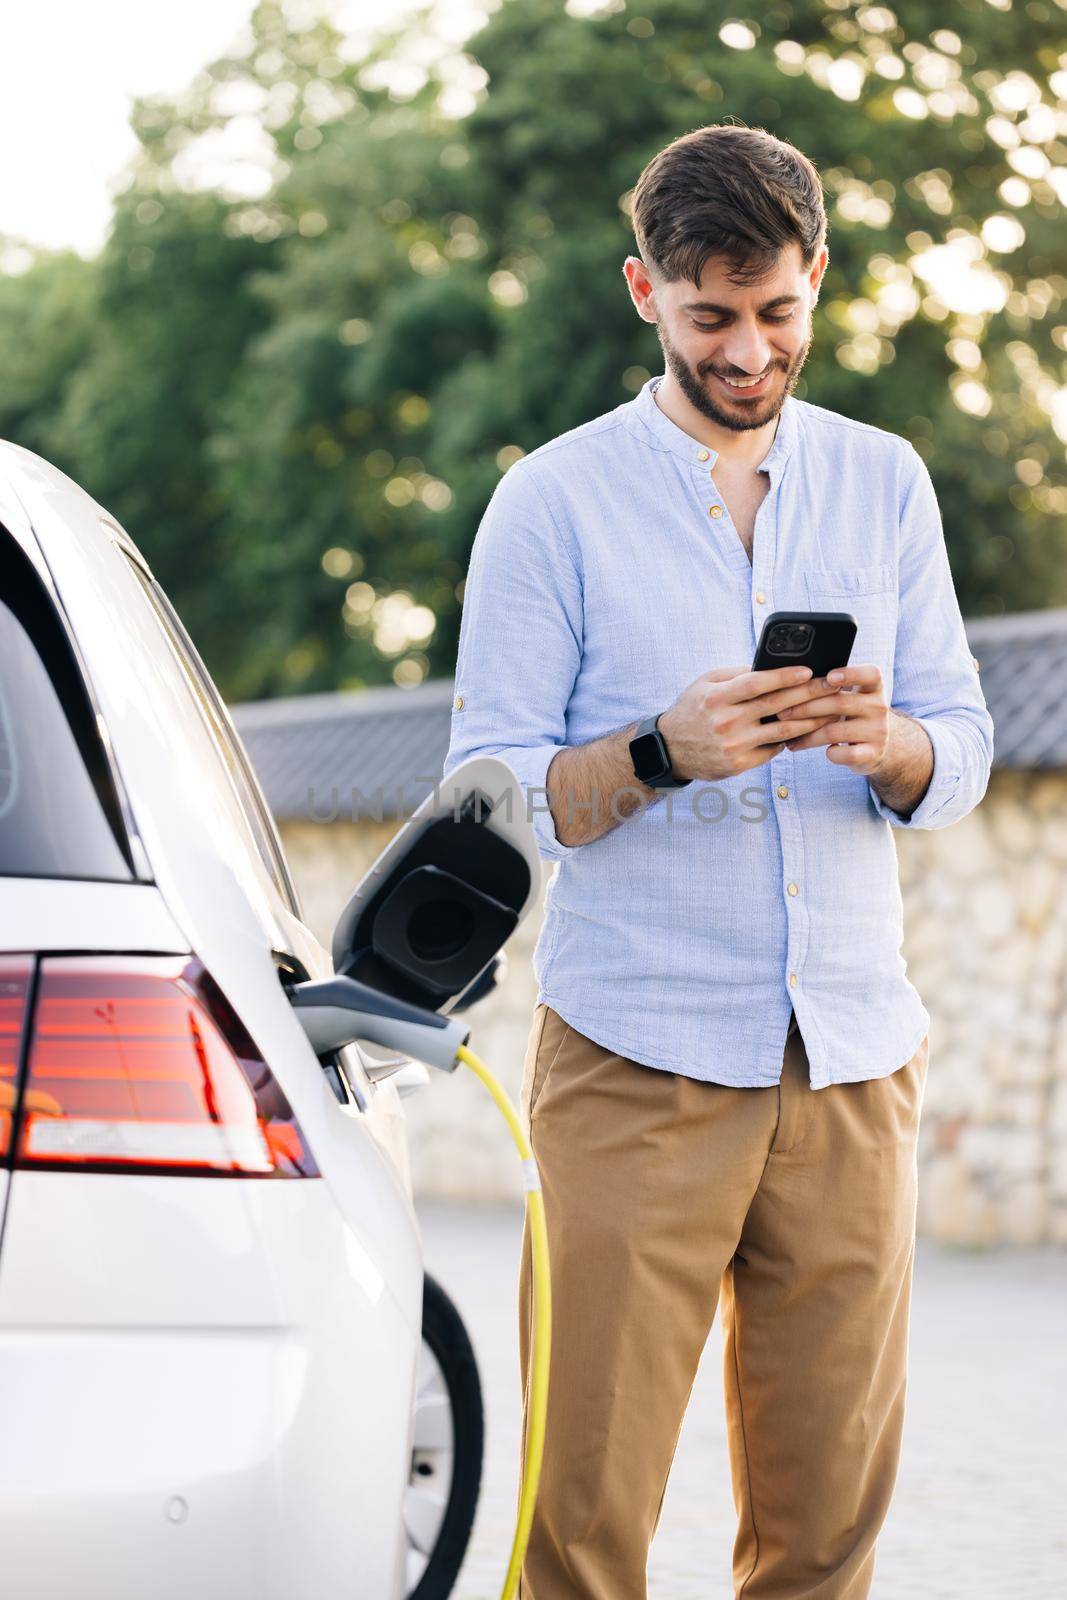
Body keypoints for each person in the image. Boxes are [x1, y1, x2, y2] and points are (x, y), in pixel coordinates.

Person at [442, 123, 993, 1600]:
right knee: (582, 1523)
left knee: (828, 1536)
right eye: (710, 319)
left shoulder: (886, 484)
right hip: (635, 1066)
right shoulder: (549, 503)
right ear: (644, 293)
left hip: (855, 1064)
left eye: (777, 313)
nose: (749, 352)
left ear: (817, 279)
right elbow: (487, 798)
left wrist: (897, 752)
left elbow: (967, 745)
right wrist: (658, 750)